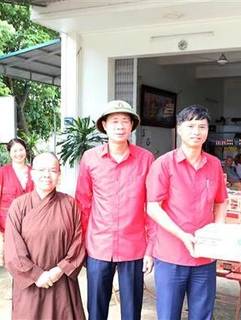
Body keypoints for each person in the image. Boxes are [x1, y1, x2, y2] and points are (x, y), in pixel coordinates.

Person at [146, 105, 228, 320]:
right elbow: (153, 207)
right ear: (179, 129)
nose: (196, 131)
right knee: (168, 314)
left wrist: (217, 232)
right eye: (190, 126)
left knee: (202, 314)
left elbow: (221, 201)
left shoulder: (214, 165)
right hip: (172, 254)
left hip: (204, 256)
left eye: (202, 126)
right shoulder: (163, 164)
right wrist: (183, 236)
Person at [75, 100, 155, 320]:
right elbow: (83, 203)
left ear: (132, 126)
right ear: (105, 125)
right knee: (96, 306)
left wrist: (151, 248)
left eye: (125, 121)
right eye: (114, 121)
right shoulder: (90, 158)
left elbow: (153, 206)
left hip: (134, 245)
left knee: (132, 309)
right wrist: (81, 244)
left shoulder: (146, 159)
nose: (120, 126)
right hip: (98, 245)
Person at [4, 152, 85, 319]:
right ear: (32, 173)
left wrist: (61, 269)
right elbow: (13, 249)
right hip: (30, 282)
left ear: (59, 175)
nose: (47, 175)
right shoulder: (19, 206)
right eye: (41, 170)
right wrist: (36, 275)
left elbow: (78, 243)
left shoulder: (69, 205)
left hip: (61, 281)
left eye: (53, 170)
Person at [0, 138, 35, 299]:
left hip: (30, 219)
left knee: (29, 252)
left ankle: (28, 283)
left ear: (25, 151)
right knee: (10, 254)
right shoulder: (0, 172)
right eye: (15, 150)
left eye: (21, 149)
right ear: (9, 153)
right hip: (6, 219)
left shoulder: (34, 171)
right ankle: (15, 284)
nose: (18, 153)